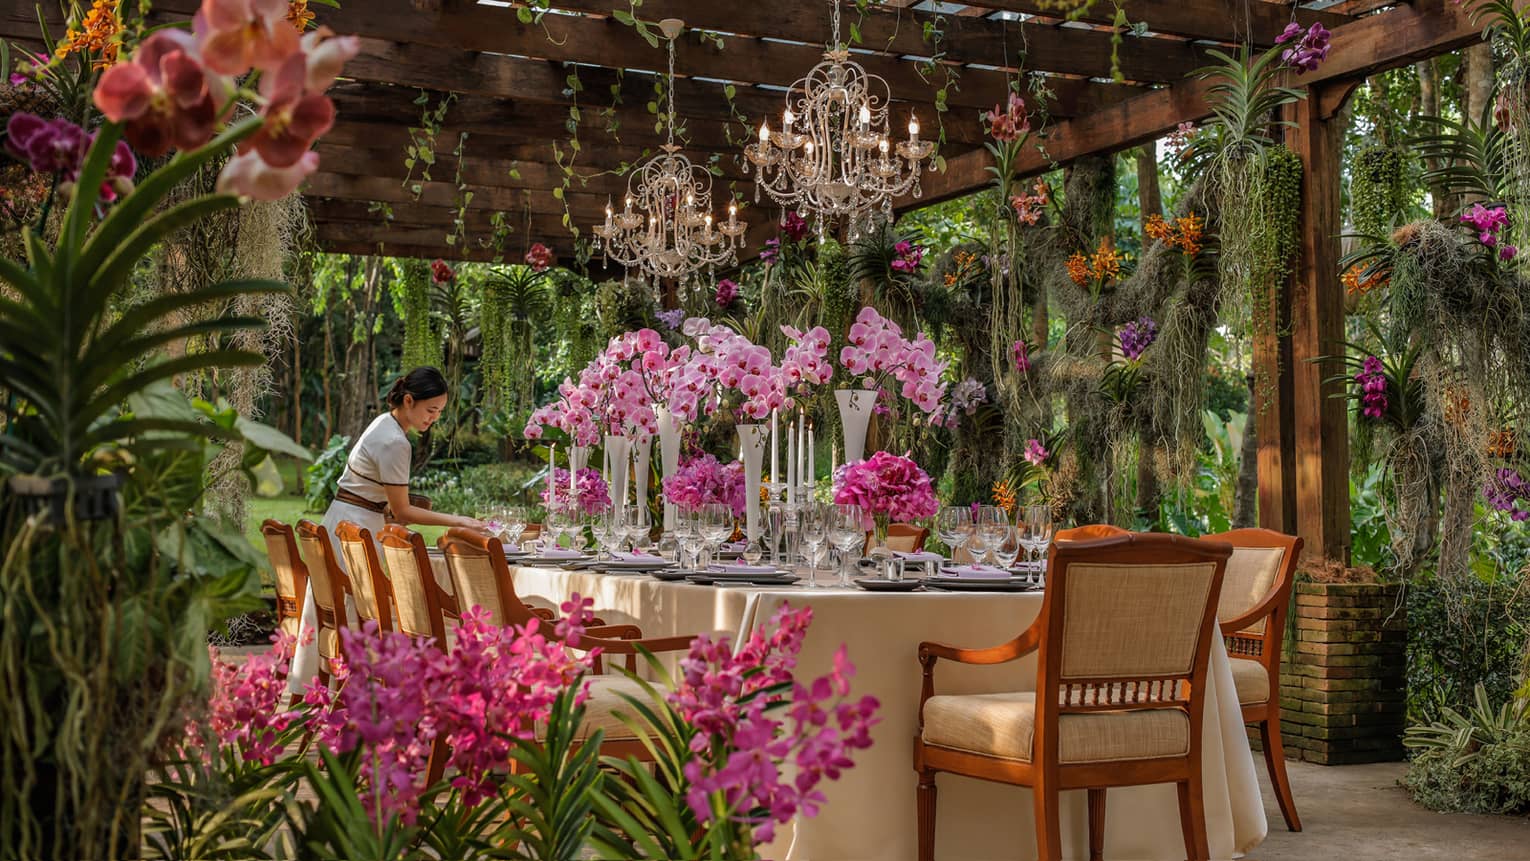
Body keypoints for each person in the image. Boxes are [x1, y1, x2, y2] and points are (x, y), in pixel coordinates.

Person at [289, 367, 485, 690]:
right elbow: (403, 510)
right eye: (430, 410)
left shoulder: (384, 423)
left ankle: (329, 689)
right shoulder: (396, 441)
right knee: (373, 609)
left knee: (347, 611)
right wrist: (460, 520)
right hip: (356, 529)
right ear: (409, 400)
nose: (433, 418)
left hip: (346, 519)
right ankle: (377, 689)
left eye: (439, 412)